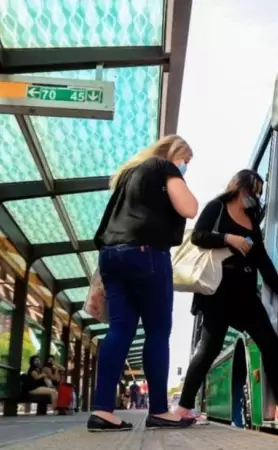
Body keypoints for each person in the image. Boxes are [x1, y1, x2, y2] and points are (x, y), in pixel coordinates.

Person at [88, 135, 199, 432]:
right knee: (158, 331)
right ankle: (160, 411)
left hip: (111, 256)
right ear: (176, 154)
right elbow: (189, 208)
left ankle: (102, 410)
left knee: (120, 330)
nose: (186, 166)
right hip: (146, 253)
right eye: (186, 161)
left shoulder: (129, 174)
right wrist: (178, 176)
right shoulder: (164, 166)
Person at [174, 169, 278, 422]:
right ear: (239, 186)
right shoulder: (217, 207)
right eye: (253, 190)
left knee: (270, 343)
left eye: (258, 193)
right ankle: (182, 408)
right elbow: (198, 236)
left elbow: (261, 258)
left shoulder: (252, 218)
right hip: (218, 291)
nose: (255, 196)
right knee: (208, 348)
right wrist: (229, 239)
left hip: (246, 293)